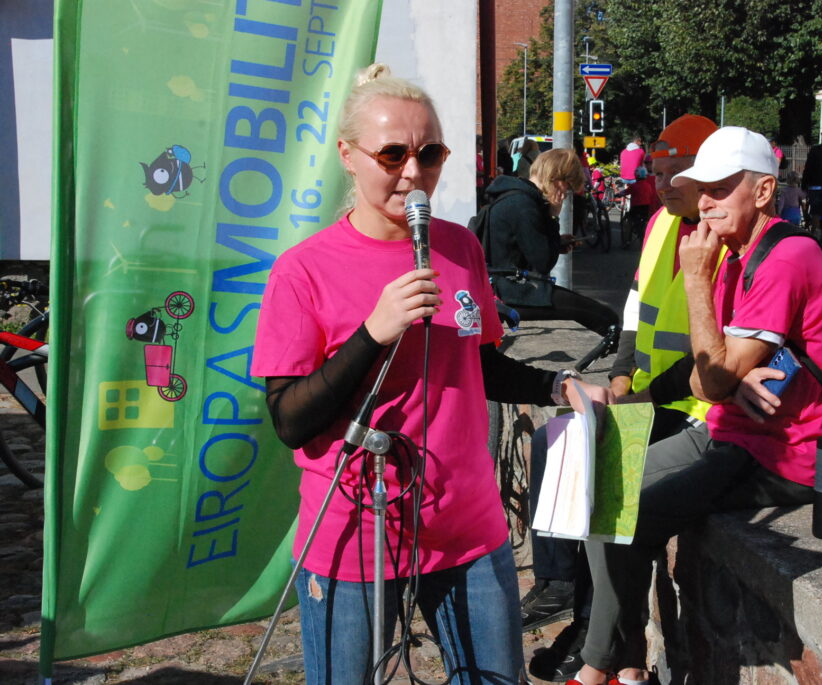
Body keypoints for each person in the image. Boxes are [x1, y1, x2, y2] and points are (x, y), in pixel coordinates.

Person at [250, 63, 614, 684]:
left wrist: (555, 385)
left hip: (468, 528)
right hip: (358, 532)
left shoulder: (460, 248)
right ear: (348, 155)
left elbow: (477, 364)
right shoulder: (303, 270)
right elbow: (290, 420)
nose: (413, 173)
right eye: (392, 154)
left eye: (430, 154)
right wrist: (372, 332)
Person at [570, 127, 822, 685]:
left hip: (782, 453)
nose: (705, 203)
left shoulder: (785, 256)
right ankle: (627, 665)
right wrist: (724, 378)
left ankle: (599, 669)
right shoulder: (736, 253)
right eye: (702, 190)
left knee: (624, 514)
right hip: (731, 430)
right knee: (601, 487)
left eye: (721, 189)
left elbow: (713, 378)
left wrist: (698, 284)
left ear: (764, 191)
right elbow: (707, 378)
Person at [524, 115, 720, 683]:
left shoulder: (719, 237)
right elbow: (636, 309)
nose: (662, 183)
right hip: (652, 398)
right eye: (656, 172)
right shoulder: (660, 223)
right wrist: (619, 376)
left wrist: (640, 397)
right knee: (553, 443)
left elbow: (715, 354)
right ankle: (561, 588)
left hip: (695, 410)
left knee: (606, 487)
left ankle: (605, 649)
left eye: (675, 172)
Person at [479, 148, 620, 341]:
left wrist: (557, 243)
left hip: (500, 285)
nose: (566, 194)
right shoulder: (524, 205)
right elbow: (543, 263)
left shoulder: (514, 195)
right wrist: (554, 216)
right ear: (557, 179)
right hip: (512, 292)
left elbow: (522, 246)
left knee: (594, 312)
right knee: (607, 318)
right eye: (568, 187)